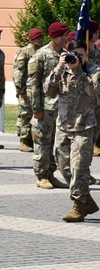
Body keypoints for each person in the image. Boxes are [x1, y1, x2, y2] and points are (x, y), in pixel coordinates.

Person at [45, 40, 100, 222]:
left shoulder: (94, 71)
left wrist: (78, 71)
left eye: (80, 54)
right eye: (73, 54)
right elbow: (49, 90)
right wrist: (60, 67)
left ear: (86, 55)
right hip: (63, 126)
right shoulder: (62, 69)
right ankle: (87, 200)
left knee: (79, 168)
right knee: (64, 166)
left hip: (84, 126)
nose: (76, 58)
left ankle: (78, 206)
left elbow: (93, 92)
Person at [29, 22, 70, 188]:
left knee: (55, 144)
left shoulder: (66, 54)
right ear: (55, 36)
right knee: (42, 143)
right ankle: (41, 176)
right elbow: (32, 84)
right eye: (63, 35)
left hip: (61, 107)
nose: (65, 38)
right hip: (45, 107)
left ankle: (51, 174)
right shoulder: (40, 55)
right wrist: (36, 109)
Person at [14, 27, 43, 152]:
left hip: (37, 89)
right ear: (32, 39)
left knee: (35, 115)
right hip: (26, 89)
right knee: (25, 115)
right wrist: (21, 90)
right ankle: (24, 141)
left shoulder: (41, 52)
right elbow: (19, 72)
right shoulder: (25, 52)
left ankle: (32, 140)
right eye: (38, 37)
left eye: (41, 37)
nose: (40, 40)